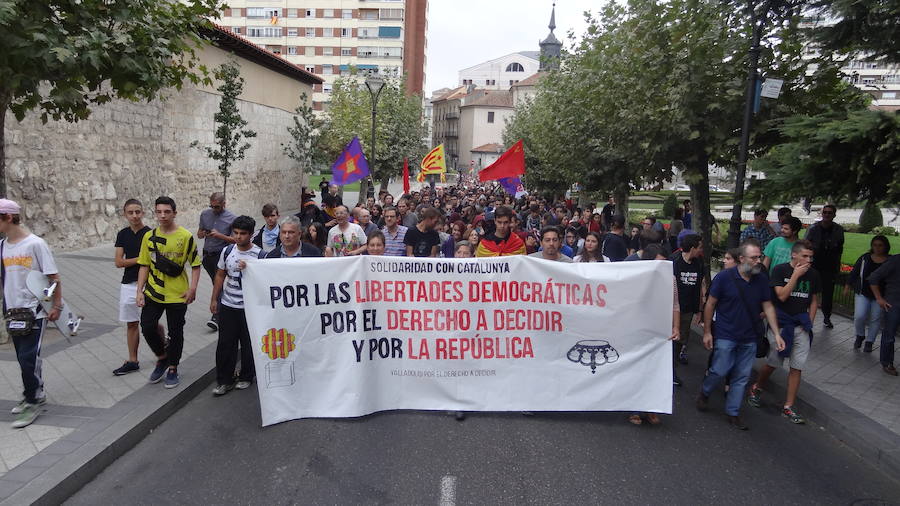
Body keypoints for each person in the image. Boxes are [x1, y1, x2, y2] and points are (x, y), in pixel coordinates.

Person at [696, 243, 785, 431]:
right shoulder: (724, 278)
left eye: (759, 257)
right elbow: (711, 303)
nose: (758, 261)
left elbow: (768, 306)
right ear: (742, 259)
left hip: (750, 336)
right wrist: (707, 332)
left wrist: (776, 333)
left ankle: (733, 412)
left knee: (741, 376)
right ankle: (705, 391)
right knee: (720, 369)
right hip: (726, 333)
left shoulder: (761, 280)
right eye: (754, 258)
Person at [0, 199, 62, 428]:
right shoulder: (2, 246)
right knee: (23, 358)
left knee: (28, 358)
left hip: (34, 312)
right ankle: (34, 392)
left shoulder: (36, 244)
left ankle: (32, 401)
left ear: (8, 217)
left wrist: (56, 306)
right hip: (12, 311)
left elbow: (53, 277)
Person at [747, 240, 820, 424]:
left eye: (811, 257)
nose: (808, 260)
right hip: (780, 324)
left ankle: (789, 405)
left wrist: (809, 323)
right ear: (794, 255)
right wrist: (795, 275)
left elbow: (813, 301)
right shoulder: (780, 271)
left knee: (797, 366)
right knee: (774, 361)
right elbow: (781, 296)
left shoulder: (814, 275)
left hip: (800, 325)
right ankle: (757, 386)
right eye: (804, 256)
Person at [136, 196, 203, 389]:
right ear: (155, 213)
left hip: (178, 294)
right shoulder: (148, 237)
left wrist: (193, 289)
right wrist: (139, 292)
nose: (163, 215)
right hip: (154, 292)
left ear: (174, 213)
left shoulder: (185, 236)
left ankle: (173, 367)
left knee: (175, 332)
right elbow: (144, 265)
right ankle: (162, 357)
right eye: (159, 212)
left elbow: (196, 265)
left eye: (167, 212)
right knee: (147, 327)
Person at [210, 216, 261, 396]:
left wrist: (250, 270)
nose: (238, 237)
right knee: (225, 344)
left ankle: (247, 375)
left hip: (250, 308)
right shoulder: (228, 251)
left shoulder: (260, 255)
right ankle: (225, 380)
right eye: (236, 233)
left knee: (248, 344)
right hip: (229, 304)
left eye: (243, 234)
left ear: (251, 234)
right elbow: (220, 275)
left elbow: (263, 282)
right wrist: (214, 299)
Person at [113, 199, 152, 376]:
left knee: (150, 323)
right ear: (125, 214)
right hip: (128, 283)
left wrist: (136, 260)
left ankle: (163, 343)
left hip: (149, 284)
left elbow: (153, 261)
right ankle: (132, 360)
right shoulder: (122, 234)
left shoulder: (150, 234)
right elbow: (119, 262)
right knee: (131, 323)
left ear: (142, 213)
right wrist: (141, 259)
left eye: (138, 212)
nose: (135, 216)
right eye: (131, 212)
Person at [197, 192, 236, 332]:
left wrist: (219, 235)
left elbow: (235, 240)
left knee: (217, 284)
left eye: (217, 207)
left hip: (221, 255)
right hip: (207, 256)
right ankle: (226, 309)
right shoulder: (205, 214)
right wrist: (202, 234)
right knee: (216, 284)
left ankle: (216, 317)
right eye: (212, 206)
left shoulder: (232, 218)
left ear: (224, 204)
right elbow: (199, 233)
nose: (214, 209)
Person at [848, 236, 891, 351]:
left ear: (885, 246)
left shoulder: (890, 260)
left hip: (881, 295)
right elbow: (855, 272)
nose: (877, 248)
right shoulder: (865, 258)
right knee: (859, 316)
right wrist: (848, 285)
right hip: (863, 292)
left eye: (880, 245)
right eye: (875, 245)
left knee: (875, 318)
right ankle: (860, 335)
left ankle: (870, 341)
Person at [804, 204, 845, 328]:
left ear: (834, 215)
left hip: (830, 266)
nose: (827, 215)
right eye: (825, 212)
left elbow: (839, 247)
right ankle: (805, 314)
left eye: (829, 213)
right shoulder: (813, 228)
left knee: (828, 294)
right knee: (809, 291)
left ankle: (827, 316)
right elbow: (805, 244)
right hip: (814, 264)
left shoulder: (838, 229)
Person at [671, 234, 704, 385]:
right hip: (672, 309)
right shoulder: (674, 261)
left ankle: (673, 370)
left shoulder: (698, 263)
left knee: (680, 341)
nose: (701, 251)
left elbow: (699, 286)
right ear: (692, 248)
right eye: (700, 247)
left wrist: (699, 309)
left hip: (688, 310)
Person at [869, 254, 900, 376]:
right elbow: (874, 277)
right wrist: (879, 298)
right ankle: (887, 362)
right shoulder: (895, 260)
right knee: (889, 334)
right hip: (894, 303)